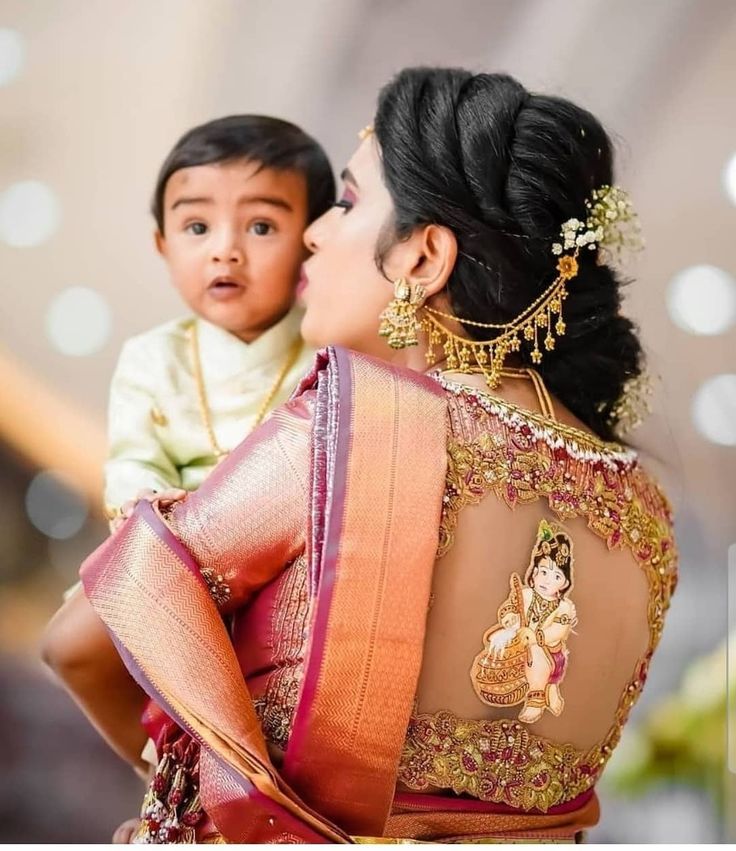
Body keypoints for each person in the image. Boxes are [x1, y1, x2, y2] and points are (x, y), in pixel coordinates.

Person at [42, 67, 678, 843]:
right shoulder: (644, 514)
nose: (314, 230)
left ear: (423, 258)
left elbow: (83, 640)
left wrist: (222, 788)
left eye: (346, 201)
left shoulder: (354, 433)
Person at [103, 114, 334, 522]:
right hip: (176, 552)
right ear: (163, 245)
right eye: (197, 227)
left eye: (261, 227)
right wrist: (147, 506)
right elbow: (132, 463)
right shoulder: (151, 359)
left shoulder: (330, 355)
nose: (225, 250)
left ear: (311, 243)